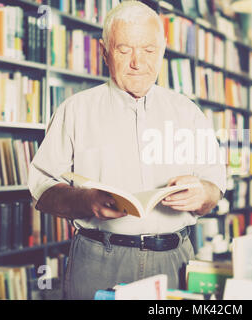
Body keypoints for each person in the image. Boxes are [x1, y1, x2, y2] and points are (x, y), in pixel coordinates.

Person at [28, 1, 226, 300]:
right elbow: (41, 192)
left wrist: (203, 194)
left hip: (174, 259)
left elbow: (215, 187)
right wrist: (85, 200)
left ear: (162, 50)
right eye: (124, 50)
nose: (138, 62)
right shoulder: (75, 110)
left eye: (148, 50)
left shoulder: (189, 113)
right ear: (104, 51)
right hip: (98, 260)